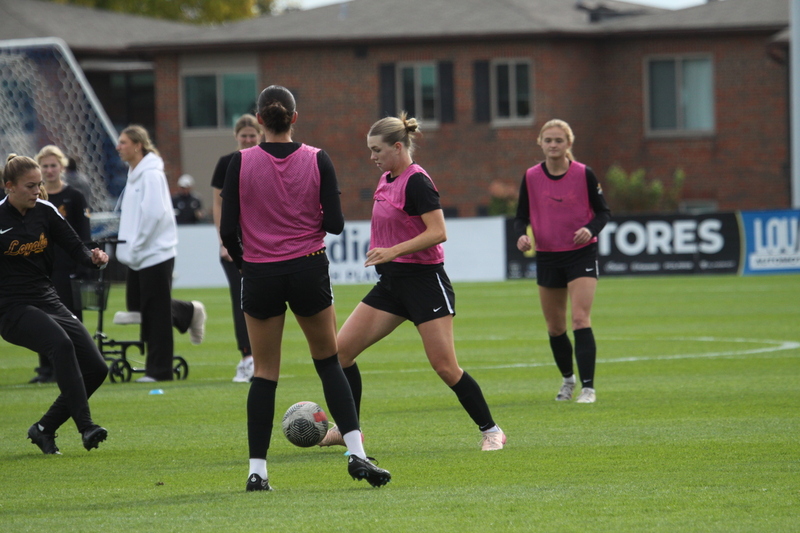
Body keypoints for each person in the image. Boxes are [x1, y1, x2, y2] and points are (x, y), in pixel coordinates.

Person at [220, 85, 391, 491]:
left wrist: (249, 264)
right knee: (329, 361)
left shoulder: (239, 162)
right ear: (294, 118)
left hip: (260, 273)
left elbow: (228, 230)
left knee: (264, 374)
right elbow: (334, 224)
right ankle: (357, 454)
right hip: (308, 269)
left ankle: (257, 472)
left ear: (258, 120)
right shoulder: (317, 159)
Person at [319, 113, 506, 452]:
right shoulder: (386, 178)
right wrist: (389, 255)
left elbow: (438, 232)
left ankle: (492, 430)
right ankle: (351, 432)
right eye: (370, 150)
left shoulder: (417, 181)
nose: (372, 157)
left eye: (376, 150)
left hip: (424, 283)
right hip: (391, 284)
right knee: (341, 352)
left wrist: (393, 250)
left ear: (397, 146)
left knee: (446, 367)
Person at [1, 154, 109, 454]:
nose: (37, 191)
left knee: (97, 368)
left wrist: (94, 259)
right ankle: (86, 427)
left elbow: (77, 248)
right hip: (11, 308)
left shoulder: (45, 211)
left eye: (38, 185)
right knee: (60, 344)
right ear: (9, 186)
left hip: (47, 299)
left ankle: (44, 429)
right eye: (30, 186)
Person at [513, 119, 611, 404]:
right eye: (548, 140)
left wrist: (590, 229)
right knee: (555, 327)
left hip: (581, 254)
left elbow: (603, 213)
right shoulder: (531, 176)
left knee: (580, 318)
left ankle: (588, 388)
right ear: (540, 143)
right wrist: (521, 236)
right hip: (547, 256)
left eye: (559, 140)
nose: (553, 145)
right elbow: (521, 216)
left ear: (569, 144)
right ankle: (568, 380)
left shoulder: (584, 174)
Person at [115, 125, 207, 383]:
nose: (118, 147)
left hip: (154, 252)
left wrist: (138, 243)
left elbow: (155, 214)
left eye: (123, 142)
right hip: (138, 253)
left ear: (137, 145)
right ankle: (189, 312)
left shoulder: (150, 175)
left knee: (156, 313)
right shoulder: (135, 173)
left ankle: (159, 371)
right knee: (137, 305)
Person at [26, 145, 92, 384]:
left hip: (68, 267)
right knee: (41, 318)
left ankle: (76, 366)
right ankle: (46, 368)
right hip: (42, 266)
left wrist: (84, 265)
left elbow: (83, 233)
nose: (50, 170)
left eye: (53, 165)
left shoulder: (74, 196)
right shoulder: (35, 198)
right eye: (45, 166)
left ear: (62, 167)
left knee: (69, 318)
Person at [211, 114, 262, 382]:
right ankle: (247, 358)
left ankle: (262, 358)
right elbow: (217, 205)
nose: (248, 139)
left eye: (253, 135)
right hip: (235, 243)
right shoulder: (226, 163)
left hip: (261, 242)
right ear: (236, 137)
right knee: (239, 301)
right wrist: (224, 241)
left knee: (262, 301)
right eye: (244, 135)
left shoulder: (265, 160)